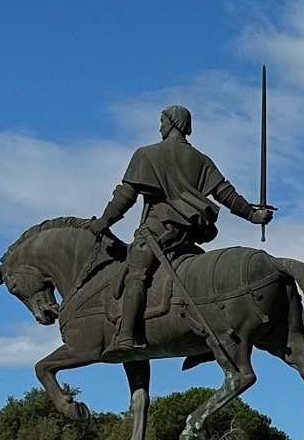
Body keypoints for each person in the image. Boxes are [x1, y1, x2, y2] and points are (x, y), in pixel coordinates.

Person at [86, 105, 273, 355]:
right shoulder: (201, 159)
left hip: (157, 232)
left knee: (136, 275)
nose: (160, 127)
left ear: (173, 122)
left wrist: (103, 222)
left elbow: (125, 196)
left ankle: (126, 338)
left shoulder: (146, 154)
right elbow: (225, 194)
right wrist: (252, 214)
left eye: (162, 121)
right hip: (186, 238)